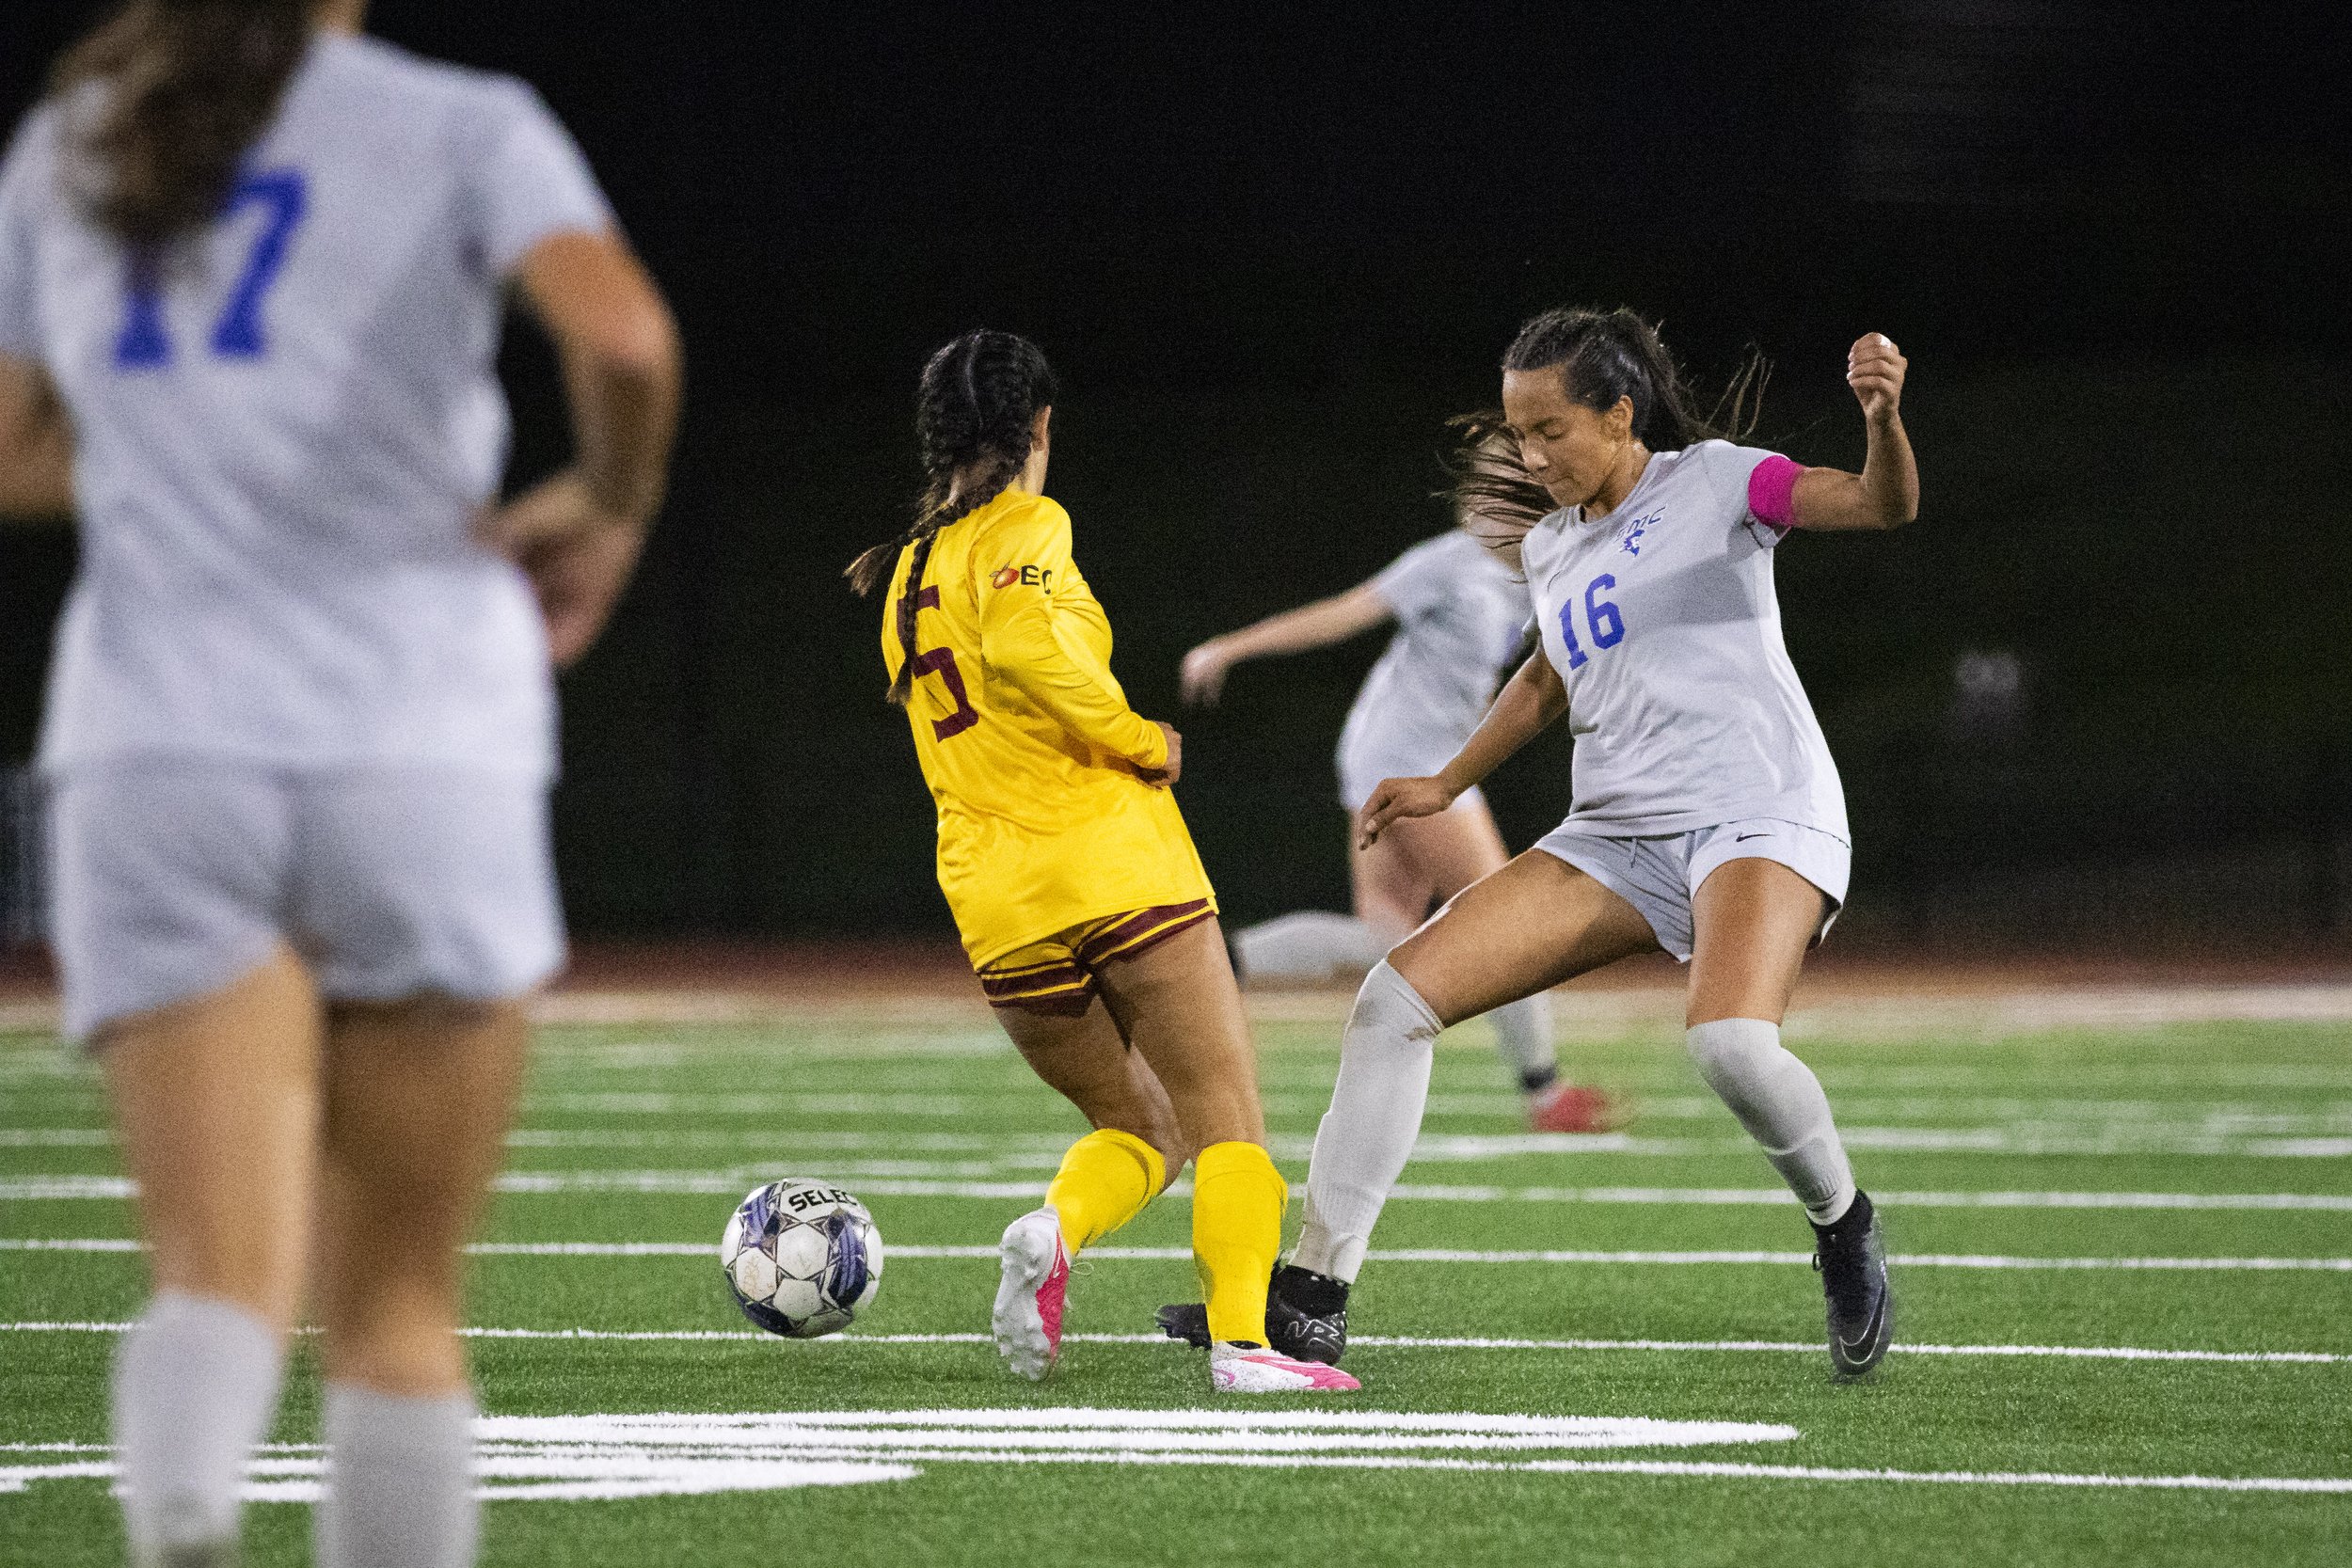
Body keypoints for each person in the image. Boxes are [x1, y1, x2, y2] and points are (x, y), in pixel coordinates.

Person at [0, 4, 682, 1565]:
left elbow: (13, 442)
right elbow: (627, 338)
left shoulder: (75, 137)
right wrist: (610, 501)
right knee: (395, 1303)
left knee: (214, 1270)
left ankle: (183, 1522)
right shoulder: (459, 120)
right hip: (418, 732)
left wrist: (173, 452)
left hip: (155, 742)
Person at [1166, 308, 1915, 1380]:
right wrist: (1442, 782)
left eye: (1550, 428)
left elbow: (1883, 503)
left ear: (1620, 415)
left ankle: (1842, 1226)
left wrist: (1882, 420)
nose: (1529, 454)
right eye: (1519, 432)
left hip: (1756, 807)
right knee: (1392, 1000)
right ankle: (1313, 1294)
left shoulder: (1718, 482)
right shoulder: (1555, 544)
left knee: (1730, 1046)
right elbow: (1543, 679)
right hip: (1617, 832)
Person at [848, 328, 1356, 1396]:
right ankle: (1243, 1345)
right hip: (1112, 861)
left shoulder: (902, 572)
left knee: (1141, 1124)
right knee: (1226, 1118)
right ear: (1038, 426)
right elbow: (1033, 652)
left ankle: (1055, 1225)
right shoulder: (1028, 523)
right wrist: (1139, 737)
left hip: (994, 899)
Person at [1177, 430, 1625, 1133]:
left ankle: (1210, 961)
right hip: (1406, 758)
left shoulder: (1542, 571)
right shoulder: (1452, 563)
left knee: (1382, 936)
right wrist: (1232, 646)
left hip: (1409, 754)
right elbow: (1346, 612)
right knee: (1509, 917)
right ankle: (1545, 1092)